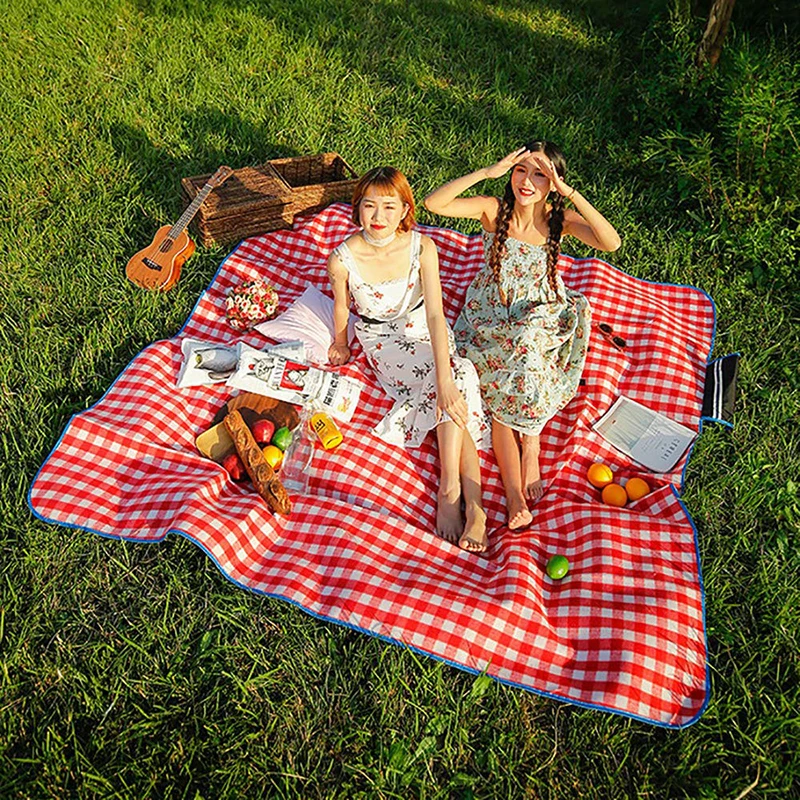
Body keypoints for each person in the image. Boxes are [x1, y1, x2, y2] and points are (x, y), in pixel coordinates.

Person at [424, 141, 621, 530]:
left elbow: (610, 241)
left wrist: (570, 194)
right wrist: (487, 173)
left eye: (539, 174)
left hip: (539, 314)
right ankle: (513, 494)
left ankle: (530, 443)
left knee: (528, 346)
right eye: (521, 170)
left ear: (553, 182)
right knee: (496, 391)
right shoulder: (494, 210)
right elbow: (435, 204)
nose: (526, 181)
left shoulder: (558, 220)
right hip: (491, 315)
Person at [327, 167, 490, 552]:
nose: (378, 218)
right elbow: (341, 309)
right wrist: (340, 344)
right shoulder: (342, 259)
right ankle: (468, 499)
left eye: (389, 206)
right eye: (369, 206)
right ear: (358, 209)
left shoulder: (422, 247)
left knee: (456, 374)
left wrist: (445, 377)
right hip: (383, 340)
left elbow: (435, 313)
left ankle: (458, 494)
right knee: (452, 378)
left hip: (422, 326)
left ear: (405, 210)